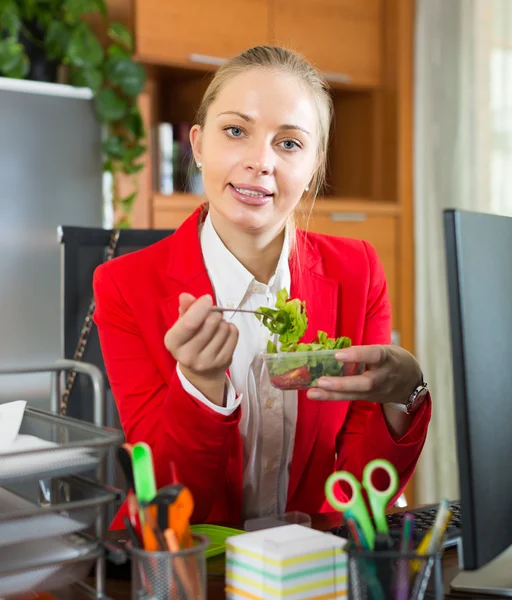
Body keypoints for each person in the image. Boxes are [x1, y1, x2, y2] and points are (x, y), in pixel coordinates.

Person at [93, 46, 431, 528]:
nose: (260, 161)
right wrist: (202, 390)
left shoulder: (359, 270)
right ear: (199, 143)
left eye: (289, 143)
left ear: (314, 166)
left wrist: (404, 395)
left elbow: (360, 497)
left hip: (310, 565)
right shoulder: (124, 286)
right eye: (235, 131)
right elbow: (164, 500)